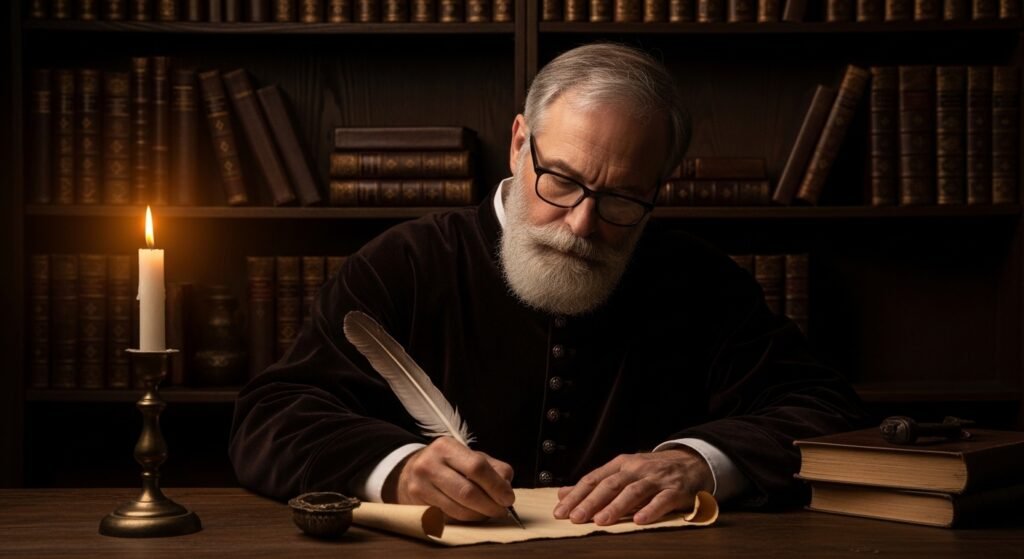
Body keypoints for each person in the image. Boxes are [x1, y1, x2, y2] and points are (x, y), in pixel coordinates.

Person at [229, 43, 866, 527]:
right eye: (560, 178)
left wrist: (699, 461)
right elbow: (272, 418)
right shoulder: (403, 262)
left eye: (622, 198)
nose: (582, 224)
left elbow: (823, 409)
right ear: (518, 144)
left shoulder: (701, 280)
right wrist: (397, 469)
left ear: (657, 190)